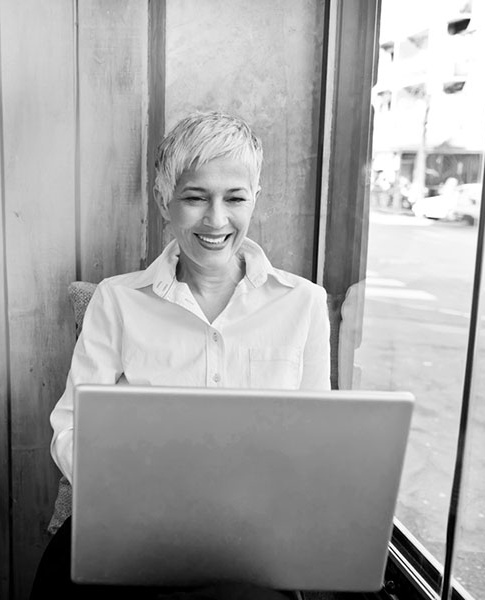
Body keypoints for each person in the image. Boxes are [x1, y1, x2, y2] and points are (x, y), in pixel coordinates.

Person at [31, 111, 331, 600]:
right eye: (195, 198)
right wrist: (122, 492)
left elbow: (316, 440)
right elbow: (70, 427)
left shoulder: (304, 303)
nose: (216, 219)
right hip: (132, 520)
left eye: (234, 198)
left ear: (256, 198)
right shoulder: (116, 299)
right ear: (163, 201)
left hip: (249, 537)